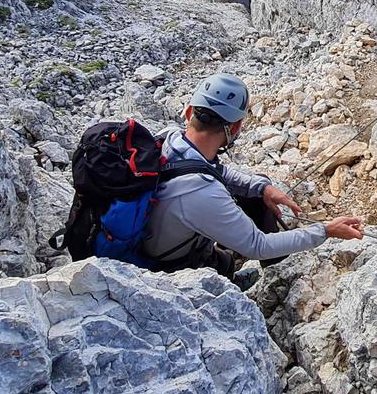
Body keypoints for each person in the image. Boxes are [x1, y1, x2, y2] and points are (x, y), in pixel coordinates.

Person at [143, 72, 365, 279]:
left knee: (256, 193)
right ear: (236, 126)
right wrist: (325, 231)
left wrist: (262, 187)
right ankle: (251, 281)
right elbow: (258, 246)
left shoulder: (169, 138)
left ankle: (273, 269)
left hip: (154, 237)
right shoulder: (201, 192)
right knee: (225, 263)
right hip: (169, 266)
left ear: (190, 111)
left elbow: (212, 169)